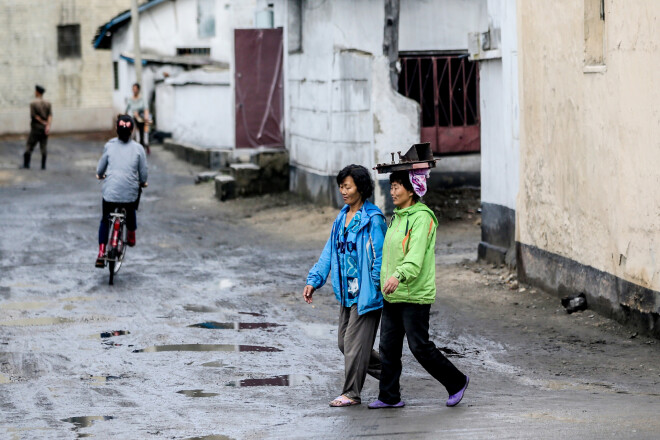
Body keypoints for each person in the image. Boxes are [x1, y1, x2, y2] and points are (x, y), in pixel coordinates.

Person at [368, 170, 469, 409]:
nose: (392, 192)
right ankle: (389, 396)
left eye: (396, 187)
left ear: (411, 189)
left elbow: (415, 258)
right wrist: (383, 280)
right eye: (391, 186)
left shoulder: (422, 218)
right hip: (392, 293)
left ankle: (457, 382)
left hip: (414, 294)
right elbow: (389, 255)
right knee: (388, 348)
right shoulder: (398, 216)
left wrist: (398, 275)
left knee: (419, 346)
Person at [303, 165, 387, 407]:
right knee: (344, 343)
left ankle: (351, 393)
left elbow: (381, 257)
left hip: (367, 295)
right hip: (347, 293)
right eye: (341, 186)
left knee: (352, 345)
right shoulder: (342, 217)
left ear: (360, 187)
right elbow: (329, 252)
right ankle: (389, 374)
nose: (343, 191)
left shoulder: (373, 219)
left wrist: (374, 287)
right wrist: (314, 280)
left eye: (347, 186)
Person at [95, 115, 148, 268]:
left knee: (105, 219)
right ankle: (131, 234)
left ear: (117, 129)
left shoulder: (109, 145)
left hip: (110, 193)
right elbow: (143, 173)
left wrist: (100, 175)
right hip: (129, 194)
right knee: (130, 205)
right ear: (132, 130)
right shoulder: (139, 149)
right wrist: (143, 182)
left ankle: (101, 252)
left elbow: (100, 169)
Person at [24, 85, 52, 170]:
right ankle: (43, 166)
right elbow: (50, 115)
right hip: (44, 128)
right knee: (43, 146)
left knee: (29, 145)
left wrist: (42, 122)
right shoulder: (48, 103)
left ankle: (26, 164)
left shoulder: (33, 103)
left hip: (36, 128)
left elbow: (34, 116)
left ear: (37, 92)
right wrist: (48, 125)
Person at [125, 83, 150, 154]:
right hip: (133, 118)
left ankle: (144, 146)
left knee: (144, 133)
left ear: (138, 90)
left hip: (141, 119)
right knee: (133, 132)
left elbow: (146, 109)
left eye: (135, 89)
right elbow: (127, 110)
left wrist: (146, 118)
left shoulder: (142, 99)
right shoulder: (130, 100)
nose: (134, 91)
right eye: (133, 89)